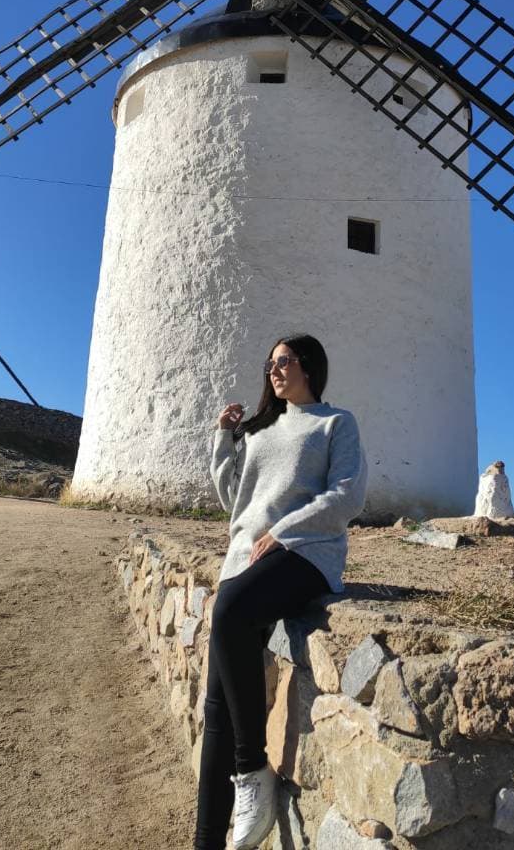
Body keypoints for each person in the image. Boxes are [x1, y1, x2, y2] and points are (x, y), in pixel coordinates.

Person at [194, 334, 367, 850]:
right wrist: (224, 439)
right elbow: (235, 500)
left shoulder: (336, 423)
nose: (274, 369)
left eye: (284, 360)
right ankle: (206, 842)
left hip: (306, 553)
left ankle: (253, 770)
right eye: (269, 362)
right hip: (249, 557)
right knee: (217, 706)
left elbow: (347, 495)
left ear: (310, 366)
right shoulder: (262, 428)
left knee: (229, 612)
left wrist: (286, 530)